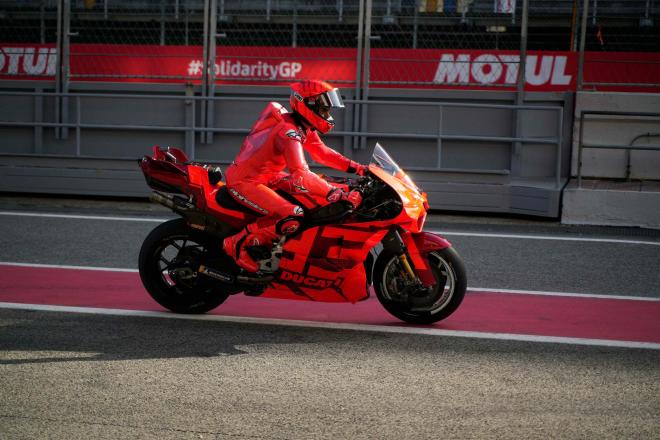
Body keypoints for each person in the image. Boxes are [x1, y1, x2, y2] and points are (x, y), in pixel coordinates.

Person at [222, 79, 367, 273]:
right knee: (292, 215)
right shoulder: (289, 131)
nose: (327, 115)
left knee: (322, 189)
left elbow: (321, 153)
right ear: (306, 105)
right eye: (324, 109)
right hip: (245, 182)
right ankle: (238, 244)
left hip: (268, 176)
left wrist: (360, 169)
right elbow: (301, 176)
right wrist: (335, 194)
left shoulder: (300, 125)